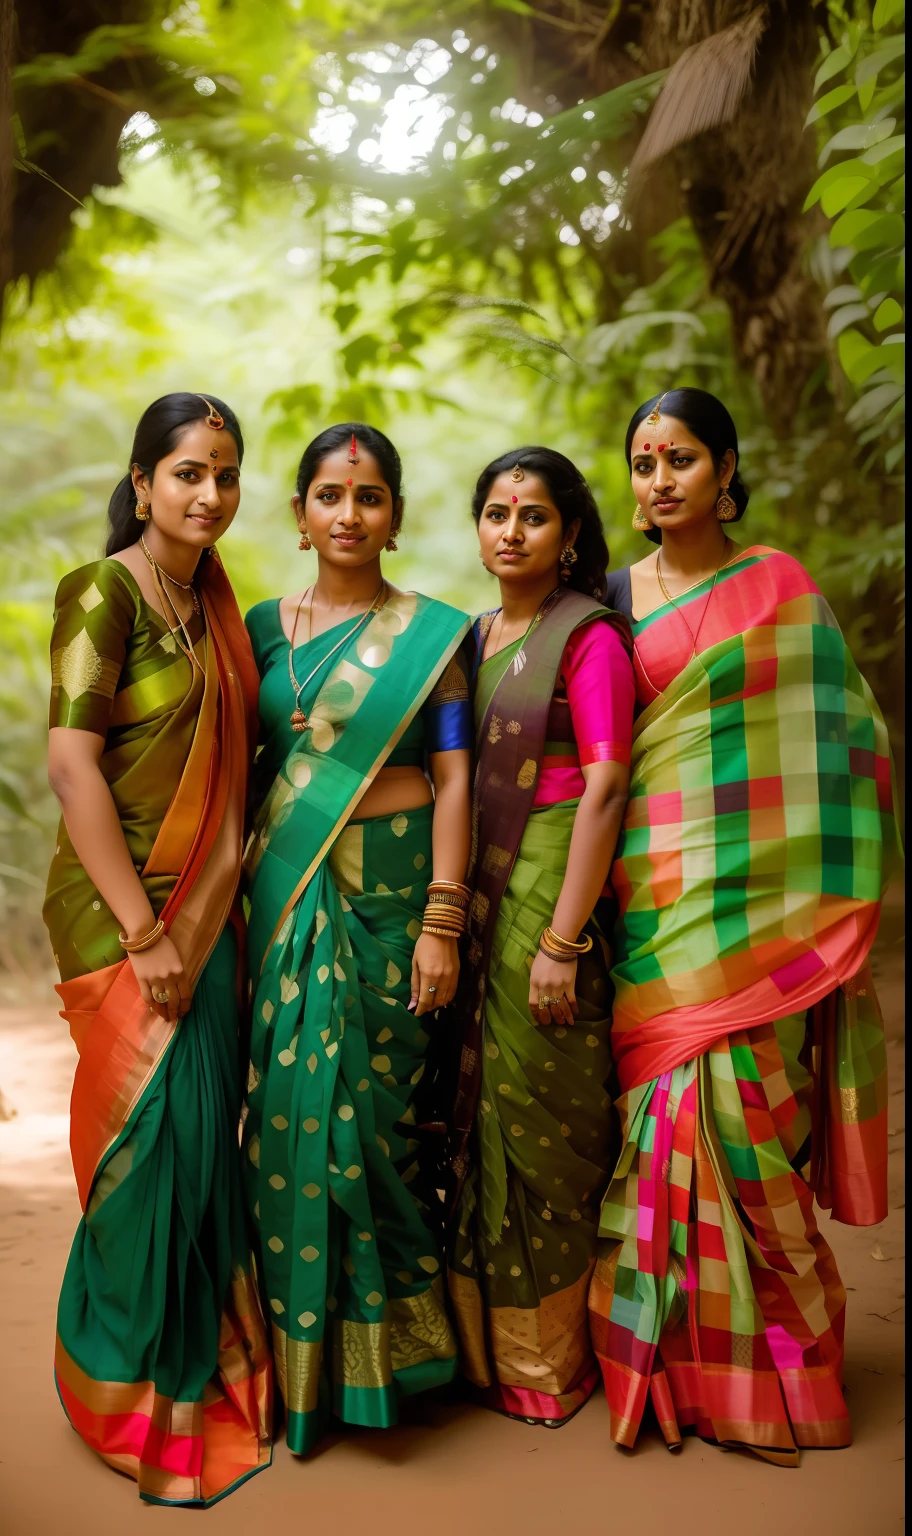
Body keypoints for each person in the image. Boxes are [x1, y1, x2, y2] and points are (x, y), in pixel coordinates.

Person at [594, 387, 899, 1464]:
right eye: (642, 462)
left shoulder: (781, 590)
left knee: (753, 1122)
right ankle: (677, 1362)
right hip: (651, 897)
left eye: (680, 457)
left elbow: (845, 744)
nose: (660, 479)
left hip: (764, 909)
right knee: (664, 1126)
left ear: (727, 470)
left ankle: (787, 1358)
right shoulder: (605, 599)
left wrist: (825, 886)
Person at [44, 392, 272, 1506]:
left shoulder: (216, 607)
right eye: (188, 472)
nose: (209, 494)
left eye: (225, 474)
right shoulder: (107, 594)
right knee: (139, 1165)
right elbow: (73, 765)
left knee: (199, 1153)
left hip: (208, 922)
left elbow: (242, 792)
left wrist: (188, 931)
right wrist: (143, 934)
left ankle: (201, 1373)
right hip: (123, 925)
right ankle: (124, 1390)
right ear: (142, 485)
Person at [243, 422, 472, 1454]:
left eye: (369, 495)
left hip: (394, 898)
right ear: (298, 514)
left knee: (378, 1127)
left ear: (394, 513)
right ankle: (304, 1375)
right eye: (329, 495)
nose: (348, 513)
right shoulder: (255, 629)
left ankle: (400, 1363)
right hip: (289, 902)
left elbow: (458, 776)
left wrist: (442, 918)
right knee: (292, 1121)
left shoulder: (437, 636)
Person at [446, 446, 634, 1427]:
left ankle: (548, 1361)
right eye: (495, 513)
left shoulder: (588, 638)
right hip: (475, 897)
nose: (510, 531)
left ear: (568, 536)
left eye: (533, 516)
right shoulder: (471, 638)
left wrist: (562, 941)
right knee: (477, 1117)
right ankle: (485, 1351)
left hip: (550, 894)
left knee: (542, 1114)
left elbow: (605, 785)